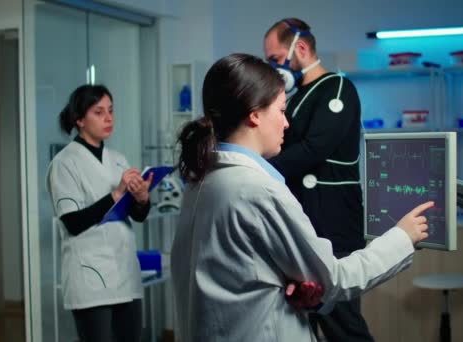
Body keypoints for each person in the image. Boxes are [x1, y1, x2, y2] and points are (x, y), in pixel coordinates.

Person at [170, 53, 433, 342]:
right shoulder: (258, 189)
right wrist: (402, 238)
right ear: (254, 114)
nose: (286, 124)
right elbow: (334, 280)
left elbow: (237, 273)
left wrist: (291, 283)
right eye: (281, 111)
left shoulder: (202, 181)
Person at [263, 18, 374, 341]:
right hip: (304, 228)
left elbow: (314, 149)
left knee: (344, 326)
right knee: (304, 325)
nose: (273, 67)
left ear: (300, 48)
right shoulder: (294, 97)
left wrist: (258, 167)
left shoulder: (338, 88)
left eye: (275, 59)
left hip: (335, 228)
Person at [46, 84, 153, 342]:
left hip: (125, 274)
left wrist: (141, 198)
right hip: (91, 279)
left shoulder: (117, 159)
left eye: (111, 111)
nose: (109, 118)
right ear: (79, 119)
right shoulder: (64, 163)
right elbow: (72, 221)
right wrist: (116, 194)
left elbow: (137, 216)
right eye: (99, 112)